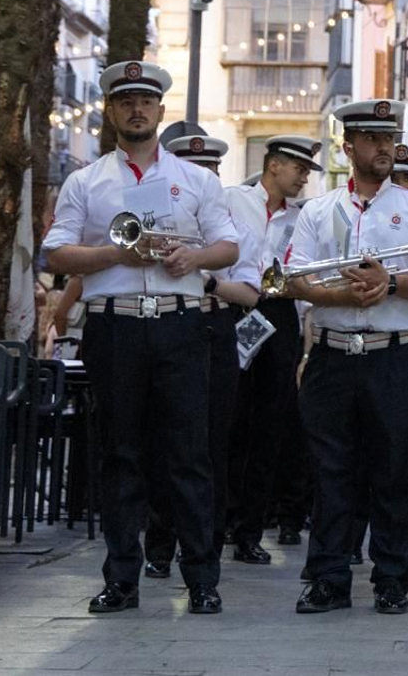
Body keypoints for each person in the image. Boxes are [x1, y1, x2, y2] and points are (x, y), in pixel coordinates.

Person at [42, 61, 240, 616]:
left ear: (159, 111)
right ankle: (121, 580)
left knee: (189, 456)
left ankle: (202, 579)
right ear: (110, 111)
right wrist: (116, 253)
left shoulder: (197, 179)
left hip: (180, 320)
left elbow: (229, 247)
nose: (136, 109)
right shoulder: (87, 181)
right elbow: (56, 253)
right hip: (116, 322)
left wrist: (194, 256)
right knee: (120, 453)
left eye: (145, 101)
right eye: (125, 101)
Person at [286, 99, 408, 615]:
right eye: (373, 138)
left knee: (394, 470)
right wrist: (340, 297)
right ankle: (329, 577)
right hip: (334, 355)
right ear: (349, 145)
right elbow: (293, 278)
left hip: (394, 356)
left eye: (390, 138)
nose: (385, 147)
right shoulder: (318, 209)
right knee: (331, 469)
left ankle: (391, 577)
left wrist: (391, 284)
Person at [143, 133, 262, 578]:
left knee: (210, 444)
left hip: (214, 326)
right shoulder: (153, 225)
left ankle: (205, 548)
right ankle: (158, 546)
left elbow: (249, 295)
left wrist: (205, 279)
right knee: (162, 439)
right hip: (164, 324)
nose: (200, 180)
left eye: (208, 171)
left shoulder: (238, 231)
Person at [225, 135, 322, 559]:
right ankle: (218, 521)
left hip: (278, 313)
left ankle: (249, 531)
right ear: (274, 165)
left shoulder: (302, 218)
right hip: (232, 307)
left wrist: (304, 351)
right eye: (298, 169)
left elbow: (303, 286)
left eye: (306, 171)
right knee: (226, 420)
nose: (303, 178)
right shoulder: (233, 201)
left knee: (269, 427)